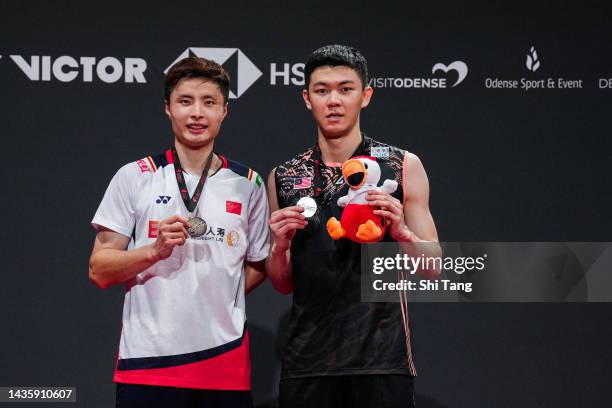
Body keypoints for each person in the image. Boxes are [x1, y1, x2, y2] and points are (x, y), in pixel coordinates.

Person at [89, 57, 269, 408]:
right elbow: (99, 269)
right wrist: (152, 252)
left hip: (225, 366)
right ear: (168, 109)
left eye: (209, 102)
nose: (197, 113)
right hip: (149, 365)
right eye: (185, 101)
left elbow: (259, 265)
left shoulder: (249, 184)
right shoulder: (135, 176)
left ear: (224, 112)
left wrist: (219, 291)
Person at [266, 45, 440, 408]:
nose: (333, 101)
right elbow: (283, 283)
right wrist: (279, 246)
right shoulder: (283, 176)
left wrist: (404, 234)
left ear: (365, 95)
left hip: (382, 358)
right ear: (306, 98)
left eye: (345, 89)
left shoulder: (402, 165)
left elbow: (433, 267)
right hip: (307, 360)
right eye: (322, 90)